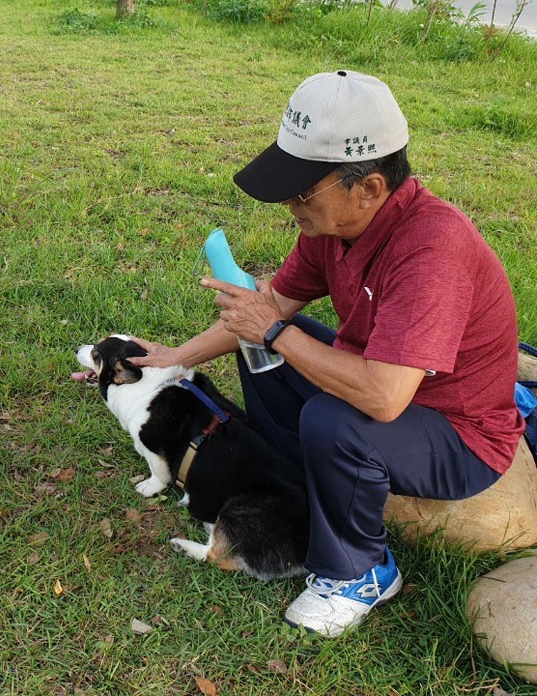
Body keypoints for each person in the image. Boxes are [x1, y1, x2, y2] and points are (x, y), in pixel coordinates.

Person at [131, 70, 524, 638]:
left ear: (368, 188)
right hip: (388, 397)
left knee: (331, 414)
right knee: (261, 347)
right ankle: (300, 486)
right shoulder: (332, 228)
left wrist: (273, 333)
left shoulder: (432, 250)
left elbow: (383, 399)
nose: (290, 203)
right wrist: (174, 357)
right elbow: (269, 308)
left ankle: (360, 571)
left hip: (459, 435)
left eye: (302, 190)